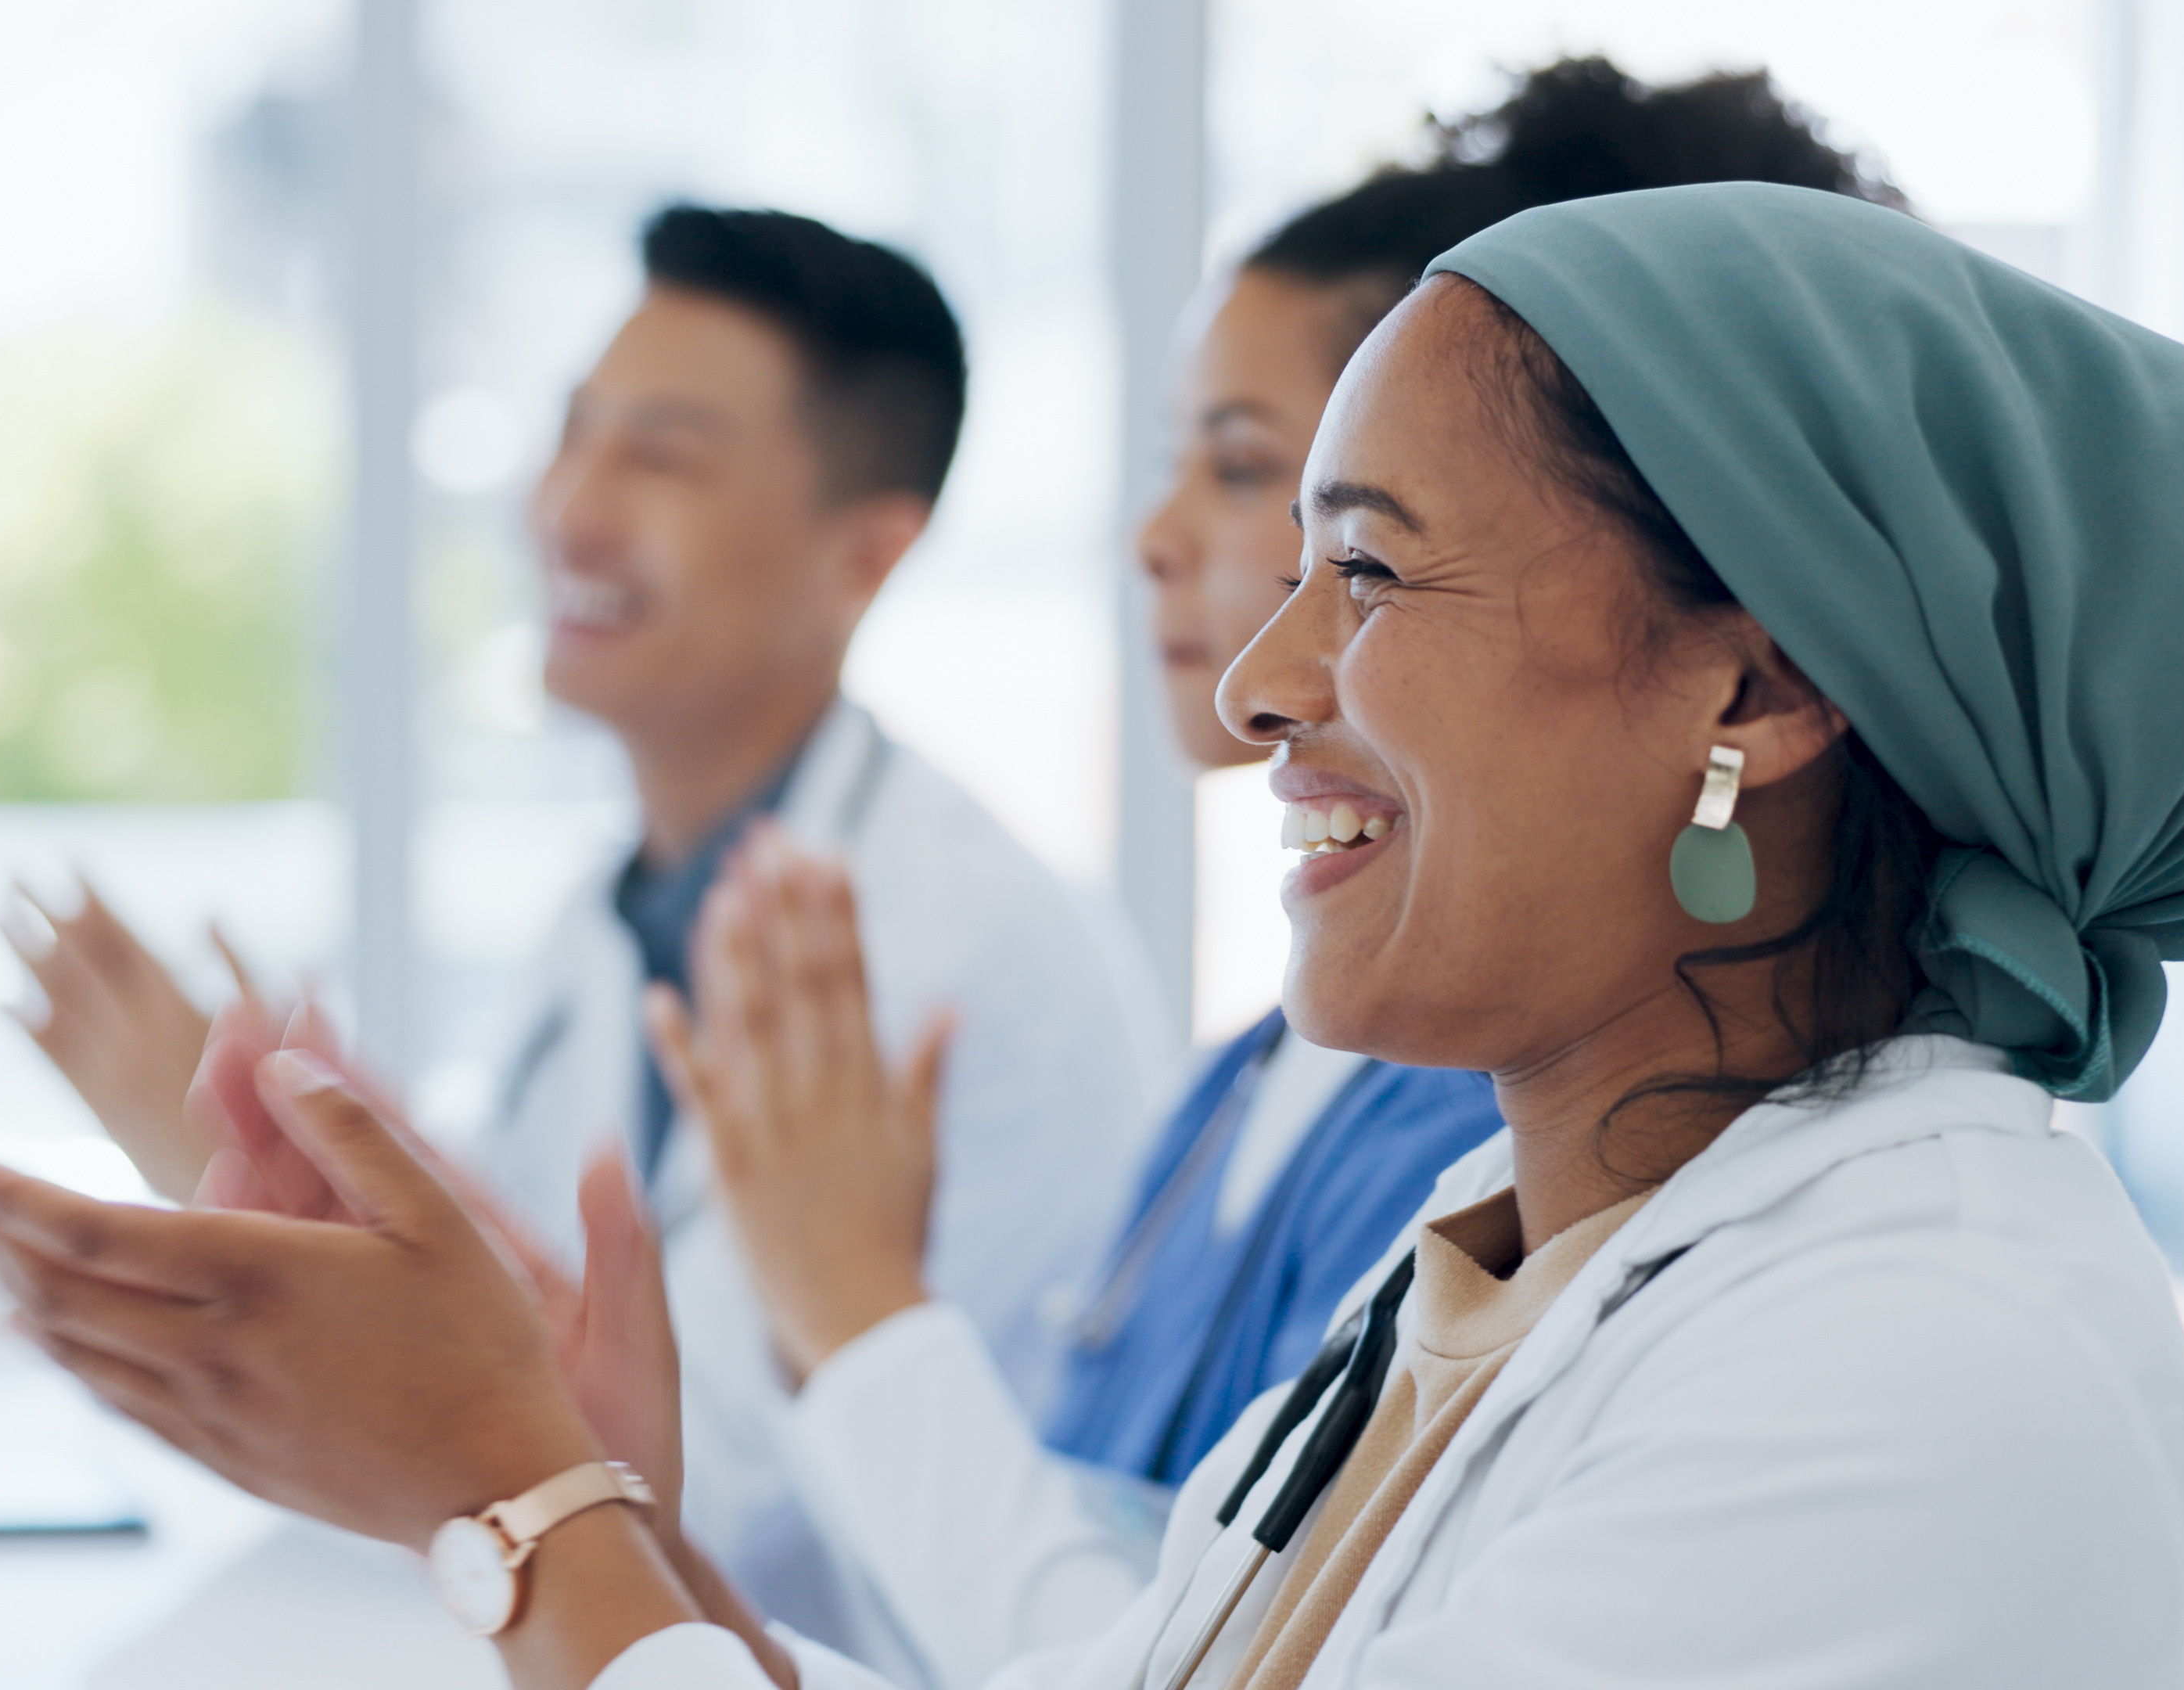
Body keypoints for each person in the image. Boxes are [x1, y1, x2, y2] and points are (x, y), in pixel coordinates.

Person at [0, 178, 2184, 1688]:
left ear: (1754, 682)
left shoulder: (1916, 1365)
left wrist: (528, 1509)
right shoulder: (1498, 1248)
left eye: (1372, 567)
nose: (1255, 673)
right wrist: (621, 1517)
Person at [671, 62, 1906, 1690]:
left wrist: (825, 1333)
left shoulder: (1542, 1147)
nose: (1190, 567)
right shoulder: (1261, 1085)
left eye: (1333, 527)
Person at [4, 205, 1169, 1667]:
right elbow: (557, 1363)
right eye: (574, 435)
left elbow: (694, 1494)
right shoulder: (618, 907)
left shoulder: (949, 949)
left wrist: (361, 1300)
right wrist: (303, 1214)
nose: (570, 506)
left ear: (863, 556)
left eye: (662, 456)